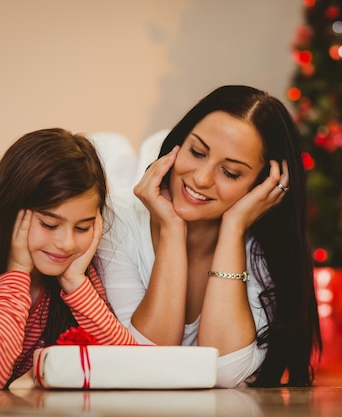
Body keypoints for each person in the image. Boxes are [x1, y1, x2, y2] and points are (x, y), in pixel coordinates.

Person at [96, 85, 321, 388]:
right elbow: (145, 362)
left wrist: (234, 228)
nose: (201, 178)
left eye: (230, 173)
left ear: (262, 184)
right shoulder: (116, 219)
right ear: (177, 143)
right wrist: (173, 230)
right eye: (197, 152)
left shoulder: (264, 248)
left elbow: (226, 372)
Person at [0, 128, 136, 389]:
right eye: (49, 224)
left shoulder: (72, 271)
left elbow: (129, 365)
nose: (66, 244)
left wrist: (76, 283)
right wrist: (18, 270)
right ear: (10, 210)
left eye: (82, 228)